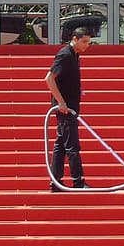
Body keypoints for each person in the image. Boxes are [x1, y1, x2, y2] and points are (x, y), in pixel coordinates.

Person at [44, 26, 93, 191]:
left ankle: (55, 181)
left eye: (89, 42)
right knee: (72, 146)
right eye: (84, 41)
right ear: (75, 39)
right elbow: (49, 78)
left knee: (61, 145)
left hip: (70, 105)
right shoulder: (65, 55)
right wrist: (61, 102)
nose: (87, 45)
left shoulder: (75, 55)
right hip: (65, 109)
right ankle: (78, 181)